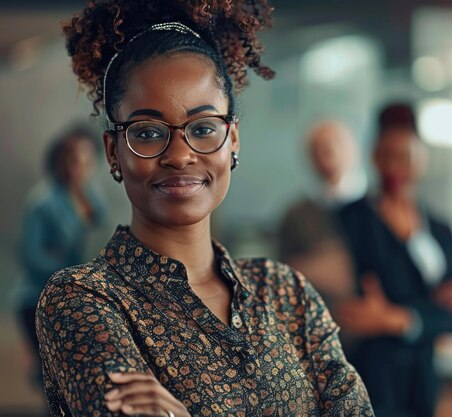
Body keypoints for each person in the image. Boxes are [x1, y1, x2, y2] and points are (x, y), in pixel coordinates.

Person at [35, 2, 374, 417]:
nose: (180, 155)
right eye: (147, 132)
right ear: (113, 152)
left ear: (232, 140)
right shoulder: (83, 302)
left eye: (203, 128)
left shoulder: (287, 294)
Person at [336, 103, 452, 417]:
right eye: (387, 156)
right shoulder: (352, 219)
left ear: (421, 160)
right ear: (373, 156)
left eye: (405, 157)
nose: (395, 167)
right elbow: (354, 307)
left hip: (425, 380)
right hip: (372, 378)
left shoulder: (440, 229)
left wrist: (400, 318)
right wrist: (430, 303)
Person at [15, 123, 105, 388]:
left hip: (76, 298)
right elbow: (32, 257)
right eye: (73, 157)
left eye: (87, 158)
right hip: (38, 298)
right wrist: (69, 272)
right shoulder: (42, 203)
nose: (80, 165)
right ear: (58, 160)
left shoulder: (91, 197)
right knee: (54, 380)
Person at [278, 119, 366, 303]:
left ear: (353, 150)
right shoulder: (295, 215)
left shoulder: (376, 207)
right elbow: (284, 271)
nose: (328, 154)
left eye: (336, 144)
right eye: (318, 149)